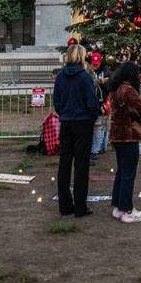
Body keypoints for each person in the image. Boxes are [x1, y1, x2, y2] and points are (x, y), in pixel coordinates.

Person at [52, 44, 100, 217]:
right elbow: (91, 101)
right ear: (82, 57)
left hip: (66, 122)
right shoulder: (84, 77)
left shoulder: (60, 77)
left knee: (64, 163)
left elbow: (56, 100)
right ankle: (80, 206)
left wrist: (63, 112)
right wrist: (93, 115)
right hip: (83, 123)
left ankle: (65, 205)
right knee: (81, 166)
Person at [108, 61, 141, 224]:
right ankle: (127, 209)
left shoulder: (115, 89)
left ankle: (118, 206)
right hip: (128, 135)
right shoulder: (128, 90)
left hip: (117, 135)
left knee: (121, 172)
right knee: (128, 174)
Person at [90, 53, 109, 164]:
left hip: (101, 102)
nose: (95, 65)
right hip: (92, 103)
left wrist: (103, 82)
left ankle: (96, 150)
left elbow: (109, 82)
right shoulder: (88, 71)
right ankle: (93, 149)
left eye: (97, 63)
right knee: (94, 128)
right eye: (94, 63)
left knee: (99, 127)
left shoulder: (105, 70)